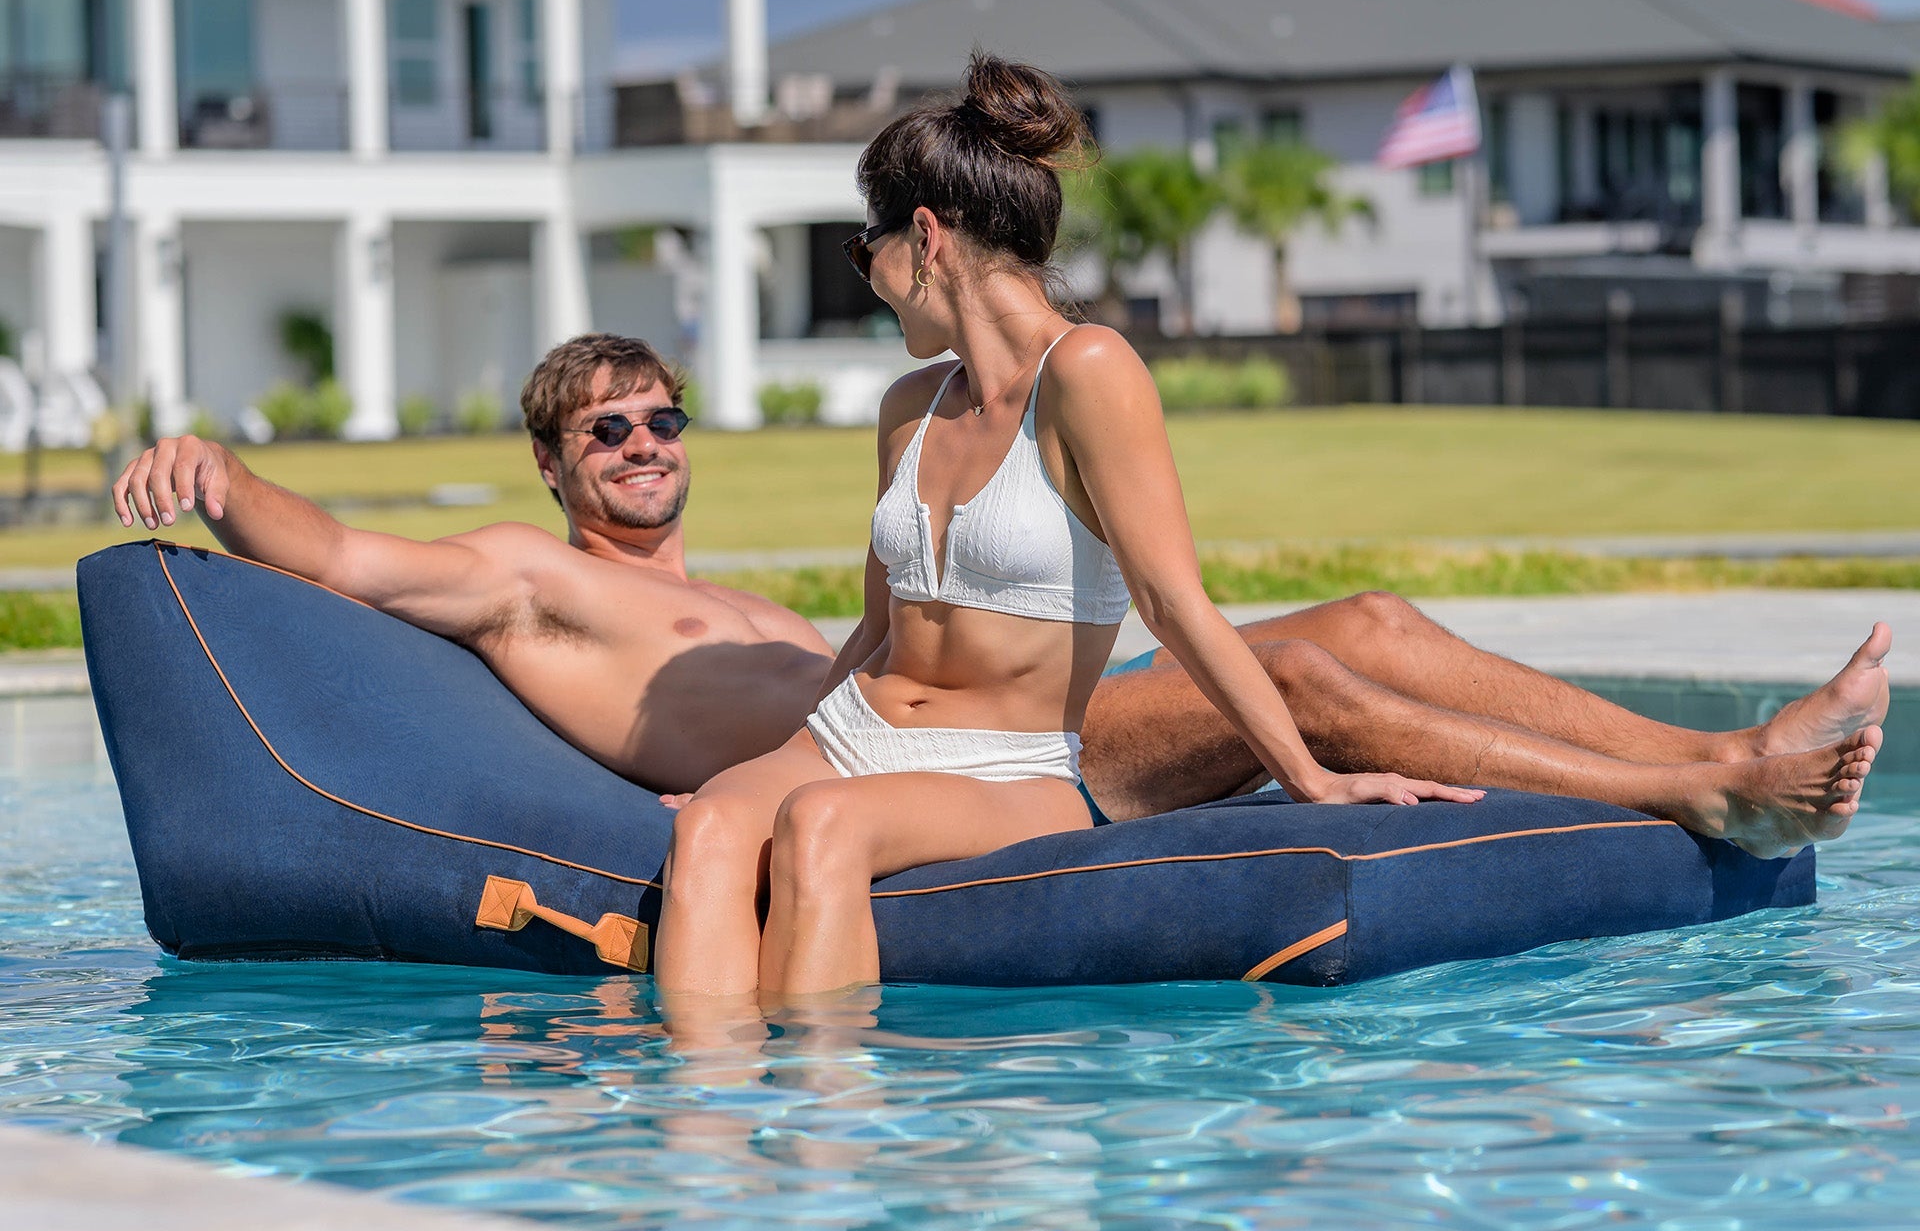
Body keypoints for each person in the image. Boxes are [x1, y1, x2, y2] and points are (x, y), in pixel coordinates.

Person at [651, 55, 1879, 998]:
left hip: (1001, 764)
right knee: (717, 825)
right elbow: (876, 629)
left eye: (865, 249)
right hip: (859, 733)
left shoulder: (1092, 373)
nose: (862, 278)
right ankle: (701, 1163)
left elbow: (1176, 607)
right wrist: (760, 763)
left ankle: (817, 1159)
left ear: (924, 239)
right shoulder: (909, 404)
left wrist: (1309, 779)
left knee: (819, 828)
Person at [112, 334, 1886, 877]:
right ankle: (1705, 780)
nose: (645, 444)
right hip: (945, 782)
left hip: (980, 736)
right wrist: (214, 468)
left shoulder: (731, 588)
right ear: (557, 462)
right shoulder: (526, 575)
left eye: (660, 418)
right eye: (607, 430)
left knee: (1368, 619)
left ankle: (1717, 749)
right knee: (1331, 673)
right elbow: (344, 562)